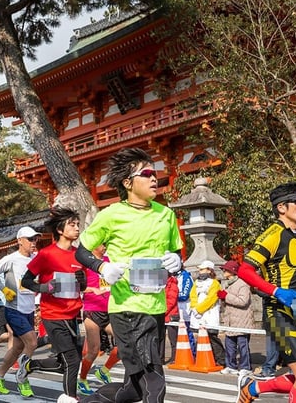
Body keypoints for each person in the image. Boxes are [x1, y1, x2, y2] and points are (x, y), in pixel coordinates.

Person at [75, 147, 183, 403]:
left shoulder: (165, 214)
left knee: (133, 389)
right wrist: (103, 267)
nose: (154, 178)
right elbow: (82, 252)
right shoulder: (111, 215)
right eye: (146, 174)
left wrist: (176, 260)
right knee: (154, 382)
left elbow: (176, 252)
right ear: (128, 182)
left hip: (155, 309)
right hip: (127, 308)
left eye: (155, 173)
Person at [235, 182, 296, 403]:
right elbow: (245, 270)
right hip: (279, 312)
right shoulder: (273, 234)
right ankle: (251, 387)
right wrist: (275, 291)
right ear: (281, 207)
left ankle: (253, 387)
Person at [17, 207, 86, 403]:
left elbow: (83, 286)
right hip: (52, 314)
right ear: (60, 230)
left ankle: (30, 365)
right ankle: (70, 398)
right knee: (72, 360)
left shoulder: (79, 254)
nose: (76, 228)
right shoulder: (46, 254)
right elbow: (27, 281)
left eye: (77, 224)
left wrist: (82, 281)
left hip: (72, 315)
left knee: (66, 362)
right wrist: (45, 287)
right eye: (72, 225)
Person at [0, 226, 41, 398]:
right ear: (20, 241)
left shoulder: (36, 258)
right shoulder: (11, 259)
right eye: (30, 239)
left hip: (29, 308)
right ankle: (22, 379)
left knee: (18, 346)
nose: (33, 243)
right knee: (32, 343)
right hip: (13, 308)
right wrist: (3, 290)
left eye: (35, 239)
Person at [78, 244, 121, 396]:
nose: (105, 247)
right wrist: (92, 289)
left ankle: (104, 370)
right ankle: (82, 379)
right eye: (103, 244)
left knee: (124, 344)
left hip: (110, 310)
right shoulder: (85, 263)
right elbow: (75, 285)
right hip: (92, 311)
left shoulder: (109, 261)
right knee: (94, 350)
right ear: (94, 246)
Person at [218, 260, 253, 377]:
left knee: (242, 345)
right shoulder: (228, 284)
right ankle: (231, 366)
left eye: (225, 269)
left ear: (232, 271)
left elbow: (243, 301)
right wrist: (222, 298)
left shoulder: (242, 284)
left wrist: (226, 296)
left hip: (242, 319)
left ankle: (245, 367)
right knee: (229, 344)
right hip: (230, 319)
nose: (223, 271)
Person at [189, 260, 225, 368]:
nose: (200, 271)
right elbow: (193, 295)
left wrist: (199, 309)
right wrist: (195, 308)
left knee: (212, 337)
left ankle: (221, 359)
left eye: (202, 269)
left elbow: (211, 298)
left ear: (209, 270)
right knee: (201, 337)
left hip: (209, 313)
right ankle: (206, 358)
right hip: (198, 314)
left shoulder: (215, 283)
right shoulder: (196, 282)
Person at [176, 263, 196, 356]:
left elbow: (184, 295)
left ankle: (192, 353)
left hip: (185, 309)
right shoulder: (173, 276)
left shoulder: (185, 276)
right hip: (176, 309)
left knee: (187, 333)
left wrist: (171, 297)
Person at [164, 265, 180, 365]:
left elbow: (171, 301)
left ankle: (175, 357)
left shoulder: (173, 284)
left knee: (173, 338)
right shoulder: (162, 285)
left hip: (171, 315)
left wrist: (163, 311)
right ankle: (160, 358)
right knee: (160, 339)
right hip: (163, 315)